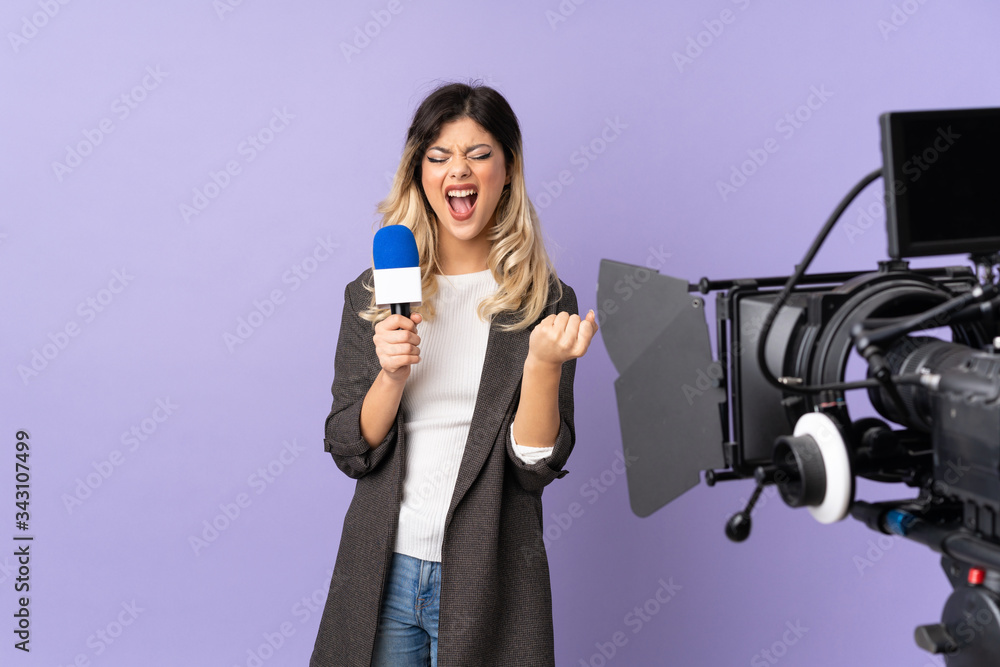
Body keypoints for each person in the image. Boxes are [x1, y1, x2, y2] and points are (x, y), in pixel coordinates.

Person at [310, 82, 597, 667]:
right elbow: (348, 447)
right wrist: (390, 375)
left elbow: (536, 467)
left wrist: (542, 365)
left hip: (489, 576)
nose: (457, 171)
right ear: (420, 173)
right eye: (438, 157)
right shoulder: (373, 292)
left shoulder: (546, 300)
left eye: (479, 154)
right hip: (384, 570)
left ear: (509, 169)